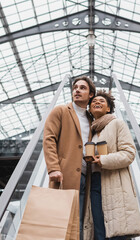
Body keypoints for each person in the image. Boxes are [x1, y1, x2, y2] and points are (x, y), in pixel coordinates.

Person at [83, 90, 140, 240]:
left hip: (114, 183)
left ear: (108, 108)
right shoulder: (90, 132)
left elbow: (129, 153)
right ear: (90, 109)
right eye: (94, 102)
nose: (97, 102)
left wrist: (103, 160)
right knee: (99, 231)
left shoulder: (117, 124)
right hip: (94, 184)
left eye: (101, 101)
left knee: (117, 232)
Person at [43, 75, 96, 240]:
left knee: (79, 223)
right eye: (75, 88)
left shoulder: (91, 119)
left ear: (91, 95)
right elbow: (49, 139)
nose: (77, 90)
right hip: (64, 175)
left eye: (82, 88)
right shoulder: (60, 111)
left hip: (87, 178)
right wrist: (53, 168)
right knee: (62, 222)